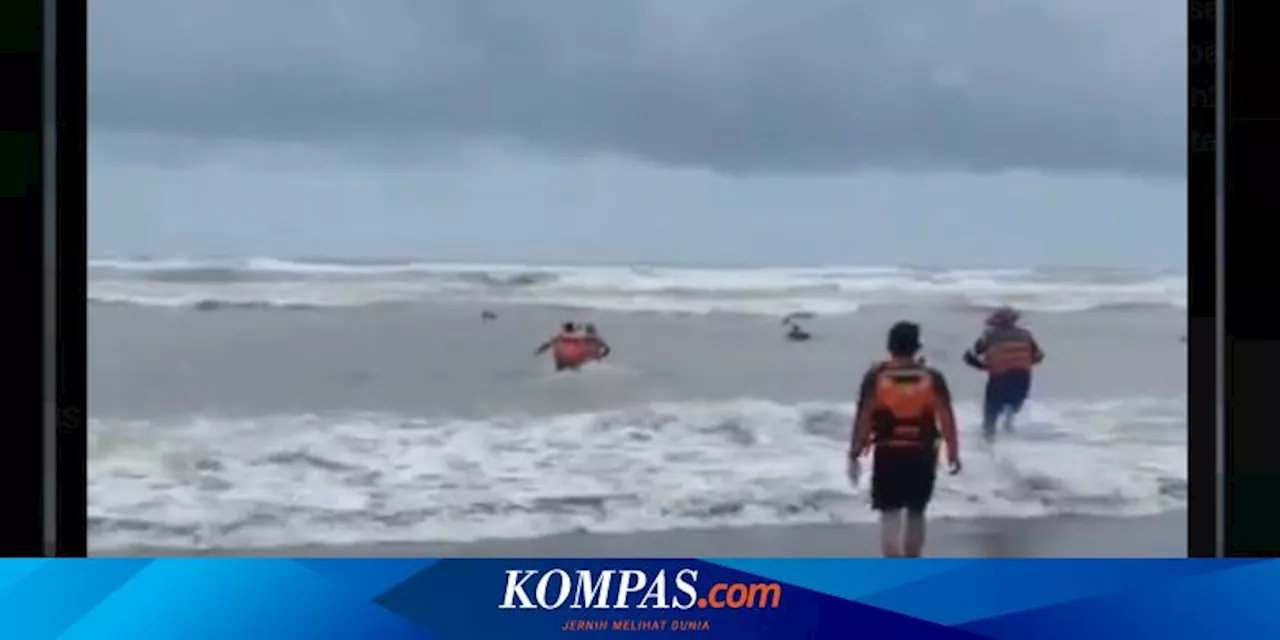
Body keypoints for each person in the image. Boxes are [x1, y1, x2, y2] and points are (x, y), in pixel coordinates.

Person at [848, 321, 961, 558]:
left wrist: (854, 453)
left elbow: (863, 418)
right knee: (916, 512)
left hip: (889, 454)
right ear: (917, 347)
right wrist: (953, 453)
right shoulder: (933, 377)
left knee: (889, 513)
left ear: (890, 346)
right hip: (922, 453)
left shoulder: (875, 377)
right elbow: (947, 418)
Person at [962, 307, 1045, 441]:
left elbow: (969, 356)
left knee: (990, 418)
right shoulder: (1026, 335)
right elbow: (1039, 356)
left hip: (999, 379)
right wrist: (1023, 363)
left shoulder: (989, 335)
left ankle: (988, 448)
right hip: (1022, 379)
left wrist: (983, 367)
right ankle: (1009, 434)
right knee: (1011, 410)